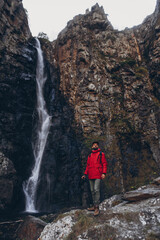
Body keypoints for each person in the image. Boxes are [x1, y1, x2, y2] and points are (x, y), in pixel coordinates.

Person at [82, 142, 107, 216]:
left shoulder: (101, 154)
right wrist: (85, 174)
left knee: (96, 190)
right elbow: (88, 165)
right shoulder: (90, 155)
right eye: (93, 144)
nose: (95, 145)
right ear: (92, 146)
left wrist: (103, 173)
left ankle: (97, 207)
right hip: (91, 175)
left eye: (96, 144)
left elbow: (104, 164)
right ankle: (94, 205)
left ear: (98, 146)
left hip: (98, 175)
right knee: (92, 191)